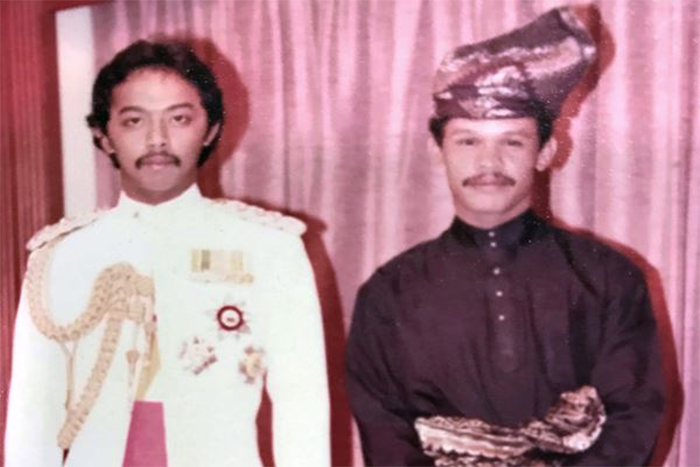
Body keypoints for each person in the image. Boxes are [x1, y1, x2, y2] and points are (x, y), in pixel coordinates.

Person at [345, 7, 664, 467]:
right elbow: (383, 430)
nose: (488, 162)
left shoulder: (609, 278)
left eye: (512, 141)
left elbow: (634, 418)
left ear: (545, 152)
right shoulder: (389, 292)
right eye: (468, 141)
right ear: (437, 151)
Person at [5, 40, 329, 467]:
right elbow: (33, 415)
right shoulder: (61, 256)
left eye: (179, 119)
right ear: (104, 135)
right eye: (134, 120)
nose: (157, 139)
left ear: (210, 129)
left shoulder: (269, 248)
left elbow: (301, 406)